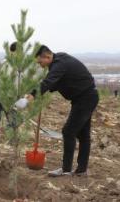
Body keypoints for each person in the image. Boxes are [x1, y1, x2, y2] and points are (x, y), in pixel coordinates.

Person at [15, 45, 99, 177]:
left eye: (40, 61)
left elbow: (48, 82)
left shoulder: (60, 64)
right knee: (83, 135)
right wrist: (32, 91)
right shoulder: (58, 61)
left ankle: (66, 170)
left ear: (47, 56)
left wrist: (29, 99)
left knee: (68, 131)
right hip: (85, 97)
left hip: (85, 98)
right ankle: (81, 170)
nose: (39, 64)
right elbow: (51, 84)